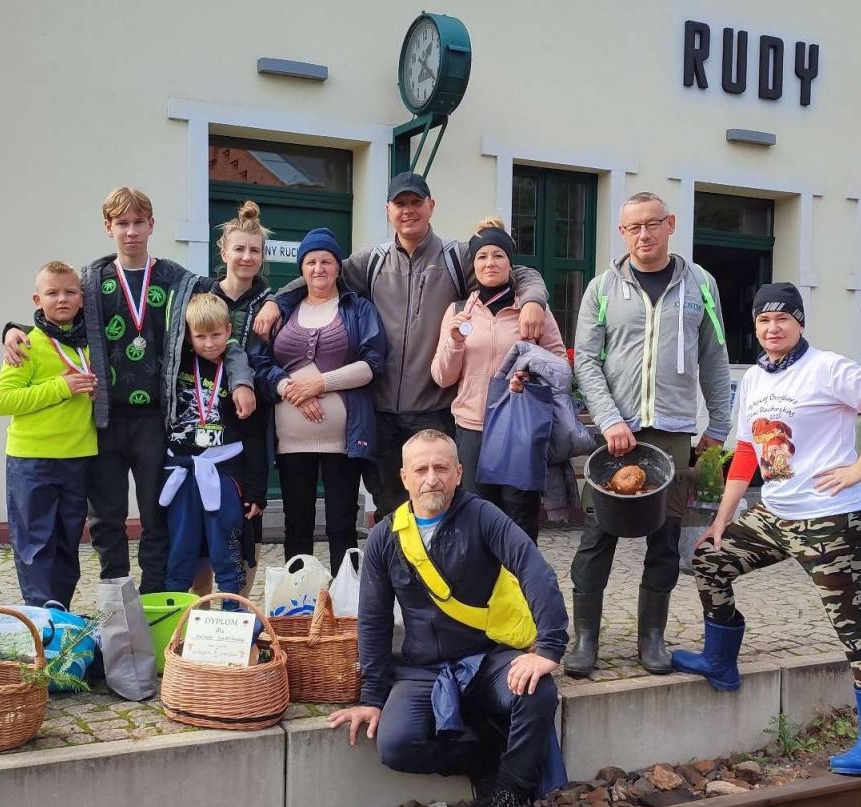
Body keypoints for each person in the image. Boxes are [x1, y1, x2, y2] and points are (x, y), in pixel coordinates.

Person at [673, 282, 861, 777]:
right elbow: (748, 451)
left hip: (831, 519)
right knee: (710, 559)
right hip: (775, 515)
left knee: (852, 623)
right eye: (764, 320)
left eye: (783, 318)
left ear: (800, 323)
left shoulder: (827, 368)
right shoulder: (754, 379)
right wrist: (723, 518)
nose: (773, 328)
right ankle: (720, 662)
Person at [253, 173, 551, 521]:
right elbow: (320, 274)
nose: (408, 210)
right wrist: (276, 300)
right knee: (391, 510)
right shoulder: (373, 261)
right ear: (388, 210)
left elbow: (518, 272)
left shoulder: (456, 258)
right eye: (400, 204)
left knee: (439, 507)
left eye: (415, 202)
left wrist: (533, 300)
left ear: (431, 206)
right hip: (380, 414)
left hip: (436, 411)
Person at [1, 187, 256, 593]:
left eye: (139, 222)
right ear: (108, 227)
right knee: (106, 518)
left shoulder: (180, 281)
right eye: (122, 223)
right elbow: (56, 315)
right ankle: (115, 598)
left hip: (156, 420)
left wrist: (243, 373)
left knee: (157, 516)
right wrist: (13, 329)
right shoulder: (91, 281)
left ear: (152, 225)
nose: (131, 231)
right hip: (103, 420)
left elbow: (231, 319)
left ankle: (153, 600)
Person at [329, 430, 568, 807]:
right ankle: (485, 763)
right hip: (422, 669)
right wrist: (371, 697)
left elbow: (534, 569)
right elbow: (373, 620)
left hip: (487, 660)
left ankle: (509, 798)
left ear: (458, 473)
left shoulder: (484, 517)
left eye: (441, 468)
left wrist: (548, 647)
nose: (431, 479)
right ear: (404, 477)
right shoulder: (385, 536)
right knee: (396, 744)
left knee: (537, 691)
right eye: (421, 469)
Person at [566, 191, 733, 677]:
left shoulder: (701, 285)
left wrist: (719, 425)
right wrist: (609, 419)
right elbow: (586, 362)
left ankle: (652, 638)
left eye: (652, 224)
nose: (643, 234)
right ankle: (585, 639)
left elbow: (714, 356)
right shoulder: (601, 288)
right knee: (597, 537)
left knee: (664, 539)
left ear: (670, 224)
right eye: (633, 227)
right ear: (622, 232)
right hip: (615, 437)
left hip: (674, 433)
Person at [251, 228, 386, 569]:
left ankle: (344, 597)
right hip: (292, 443)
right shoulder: (282, 310)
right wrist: (289, 389)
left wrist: (320, 384)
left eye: (326, 261)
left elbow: (372, 364)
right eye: (311, 262)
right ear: (301, 269)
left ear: (338, 267)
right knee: (297, 525)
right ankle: (299, 597)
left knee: (342, 524)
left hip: (343, 440)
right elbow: (260, 363)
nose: (319, 268)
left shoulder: (358, 309)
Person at [430, 217, 565, 541]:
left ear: (509, 263)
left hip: (519, 428)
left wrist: (530, 374)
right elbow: (442, 377)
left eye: (498, 255)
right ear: (473, 265)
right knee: (476, 518)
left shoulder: (533, 310)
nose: (490, 262)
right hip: (472, 428)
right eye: (482, 256)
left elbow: (561, 366)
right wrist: (455, 342)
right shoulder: (458, 311)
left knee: (519, 520)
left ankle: (518, 575)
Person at [0, 262, 98, 607]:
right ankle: (41, 616)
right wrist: (61, 387)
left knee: (68, 541)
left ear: (82, 298)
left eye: (70, 292)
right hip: (31, 461)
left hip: (78, 457)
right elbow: (2, 401)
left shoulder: (92, 345)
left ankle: (60, 612)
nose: (62, 299)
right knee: (35, 544)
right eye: (52, 293)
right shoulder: (25, 345)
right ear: (38, 300)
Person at [190, 200, 279, 595]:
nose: (246, 257)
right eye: (239, 248)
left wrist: (276, 301)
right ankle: (199, 614)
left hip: (249, 423)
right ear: (223, 251)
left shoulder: (275, 302)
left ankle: (238, 612)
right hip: (200, 421)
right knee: (200, 525)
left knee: (246, 517)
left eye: (254, 250)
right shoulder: (198, 296)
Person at [159, 294, 266, 595]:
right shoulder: (174, 367)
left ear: (229, 330)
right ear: (188, 336)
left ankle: (233, 614)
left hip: (225, 473)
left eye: (216, 335)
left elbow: (253, 435)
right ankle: (177, 618)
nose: (209, 344)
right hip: (181, 473)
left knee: (227, 548)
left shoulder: (240, 375)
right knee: (180, 551)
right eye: (201, 336)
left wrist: (256, 491)